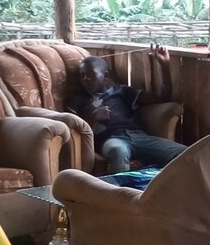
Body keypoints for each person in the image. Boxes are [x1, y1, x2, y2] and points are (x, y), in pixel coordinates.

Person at [67, 45, 186, 173]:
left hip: (139, 136)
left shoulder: (121, 91)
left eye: (91, 74)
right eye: (82, 75)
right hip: (111, 139)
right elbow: (73, 132)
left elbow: (162, 97)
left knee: (184, 153)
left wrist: (164, 66)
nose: (86, 79)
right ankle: (119, 191)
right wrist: (93, 117)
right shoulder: (78, 101)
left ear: (105, 76)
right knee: (118, 150)